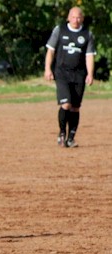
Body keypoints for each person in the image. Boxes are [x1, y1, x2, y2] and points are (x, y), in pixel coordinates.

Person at [44, 6, 96, 148]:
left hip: (79, 74)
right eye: (73, 17)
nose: (75, 20)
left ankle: (71, 138)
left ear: (82, 19)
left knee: (75, 108)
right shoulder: (59, 30)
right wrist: (48, 69)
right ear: (68, 18)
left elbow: (89, 56)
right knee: (66, 104)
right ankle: (62, 133)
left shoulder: (87, 34)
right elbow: (50, 51)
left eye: (78, 17)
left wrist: (90, 74)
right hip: (62, 73)